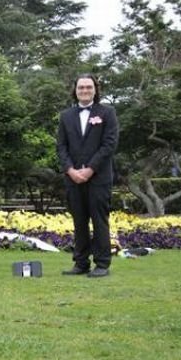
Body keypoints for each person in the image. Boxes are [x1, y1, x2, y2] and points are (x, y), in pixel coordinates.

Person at [57, 73, 119, 278]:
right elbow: (61, 147)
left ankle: (102, 264)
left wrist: (90, 169)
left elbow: (109, 144)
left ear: (95, 89)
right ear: (75, 91)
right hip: (73, 178)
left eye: (88, 87)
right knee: (79, 221)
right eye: (81, 87)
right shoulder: (66, 116)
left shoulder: (107, 113)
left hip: (99, 177)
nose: (84, 91)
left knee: (99, 220)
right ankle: (81, 262)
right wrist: (71, 170)